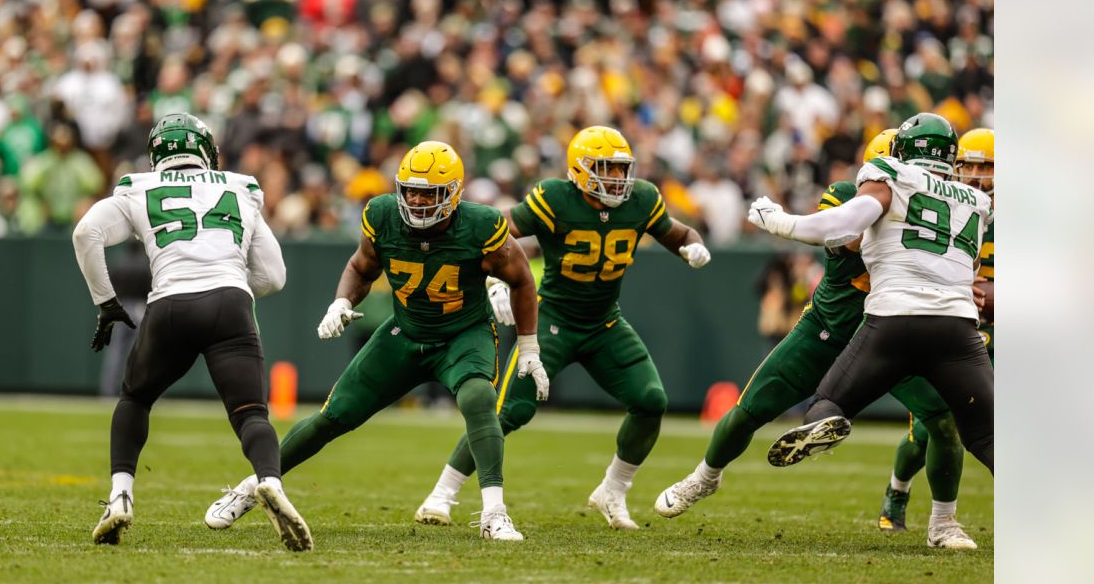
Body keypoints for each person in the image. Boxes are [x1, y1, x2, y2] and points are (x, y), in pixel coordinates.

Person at [202, 141, 548, 541]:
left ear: (453, 194)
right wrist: (341, 301)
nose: (417, 201)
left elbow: (521, 278)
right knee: (332, 417)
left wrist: (529, 346)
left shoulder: (481, 224)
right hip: (406, 333)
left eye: (429, 193)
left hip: (462, 333)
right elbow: (361, 266)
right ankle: (253, 486)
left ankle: (494, 512)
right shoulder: (383, 215)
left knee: (478, 398)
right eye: (411, 190)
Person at [655, 127, 981, 548]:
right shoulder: (851, 193)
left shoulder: (942, 206)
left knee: (943, 421)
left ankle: (943, 522)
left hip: (892, 334)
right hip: (829, 330)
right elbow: (841, 240)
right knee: (748, 410)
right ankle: (703, 478)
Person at [413, 126, 711, 531]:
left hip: (606, 322)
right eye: (606, 169)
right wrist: (494, 279)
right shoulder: (556, 197)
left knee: (651, 400)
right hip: (553, 321)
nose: (617, 179)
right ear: (580, 170)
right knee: (506, 411)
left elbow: (679, 233)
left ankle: (613, 490)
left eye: (622, 170)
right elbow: (493, 232)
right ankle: (441, 495)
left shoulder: (641, 199)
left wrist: (693, 245)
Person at [72, 112, 312, 551]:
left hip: (168, 305)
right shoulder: (242, 188)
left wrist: (106, 304)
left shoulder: (137, 187)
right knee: (252, 414)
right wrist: (232, 286)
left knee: (135, 398)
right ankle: (271, 482)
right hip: (231, 303)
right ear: (206, 151)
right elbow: (275, 277)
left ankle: (120, 496)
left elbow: (86, 233)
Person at [747, 113, 993, 484]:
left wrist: (780, 220)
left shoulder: (892, 175)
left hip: (895, 318)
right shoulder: (977, 200)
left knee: (828, 403)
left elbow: (843, 223)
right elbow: (970, 266)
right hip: (957, 327)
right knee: (988, 437)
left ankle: (825, 420)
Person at [876, 128, 995, 535]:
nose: (978, 174)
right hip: (953, 332)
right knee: (930, 429)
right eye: (971, 165)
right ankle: (898, 488)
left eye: (988, 166)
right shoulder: (945, 205)